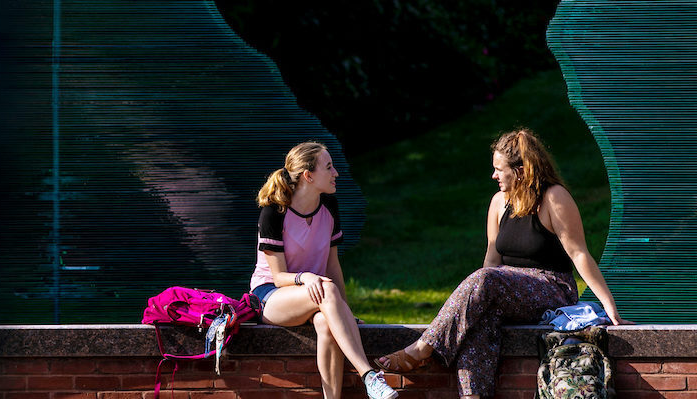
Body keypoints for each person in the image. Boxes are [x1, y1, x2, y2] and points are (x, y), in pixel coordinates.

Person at [374, 128, 633, 398]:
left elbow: (579, 254)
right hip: (505, 288)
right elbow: (492, 260)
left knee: (486, 279)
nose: (494, 176)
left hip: (551, 287)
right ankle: (473, 395)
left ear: (521, 171)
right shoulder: (499, 202)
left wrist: (608, 305)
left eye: (499, 169)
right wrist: (475, 299)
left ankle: (422, 349)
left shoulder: (554, 197)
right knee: (480, 315)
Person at [250, 142, 398, 399]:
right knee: (326, 288)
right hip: (270, 295)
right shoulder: (273, 212)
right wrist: (305, 278)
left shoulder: (329, 205)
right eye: (328, 167)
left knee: (327, 325)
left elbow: (332, 265)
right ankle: (368, 375)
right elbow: (278, 277)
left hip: (317, 294)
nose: (335, 173)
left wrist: (344, 311)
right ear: (308, 176)